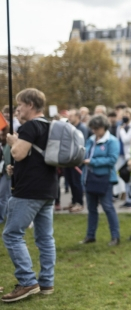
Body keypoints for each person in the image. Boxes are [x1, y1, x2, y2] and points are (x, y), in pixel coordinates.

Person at [2, 89, 57, 302]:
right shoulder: (49, 125)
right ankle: (46, 283)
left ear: (30, 105)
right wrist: (16, 169)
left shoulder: (30, 126)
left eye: (20, 106)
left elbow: (19, 153)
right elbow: (35, 159)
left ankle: (27, 281)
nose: (18, 110)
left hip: (28, 192)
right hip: (47, 189)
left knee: (12, 234)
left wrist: (12, 141)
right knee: (45, 238)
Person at [79, 115, 120, 246]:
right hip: (90, 177)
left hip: (105, 178)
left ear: (104, 127)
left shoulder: (112, 141)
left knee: (108, 207)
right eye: (92, 128)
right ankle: (90, 235)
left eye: (97, 128)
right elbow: (85, 154)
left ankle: (115, 236)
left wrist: (92, 162)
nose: (94, 130)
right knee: (91, 208)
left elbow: (112, 159)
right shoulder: (90, 140)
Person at [63, 109, 90, 213]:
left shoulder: (82, 128)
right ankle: (74, 201)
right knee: (70, 181)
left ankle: (79, 203)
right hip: (69, 159)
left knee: (76, 181)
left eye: (71, 116)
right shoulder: (71, 127)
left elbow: (81, 144)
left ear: (78, 116)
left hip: (77, 159)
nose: (69, 118)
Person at [116, 108, 131, 208]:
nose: (125, 116)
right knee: (124, 176)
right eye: (124, 114)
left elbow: (126, 140)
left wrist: (121, 130)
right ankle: (128, 198)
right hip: (122, 154)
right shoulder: (123, 126)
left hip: (130, 156)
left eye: (127, 114)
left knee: (129, 177)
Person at [0, 125, 11, 223]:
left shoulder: (8, 145)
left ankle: (2, 217)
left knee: (4, 196)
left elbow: (7, 159)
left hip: (8, 174)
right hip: (4, 173)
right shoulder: (3, 143)